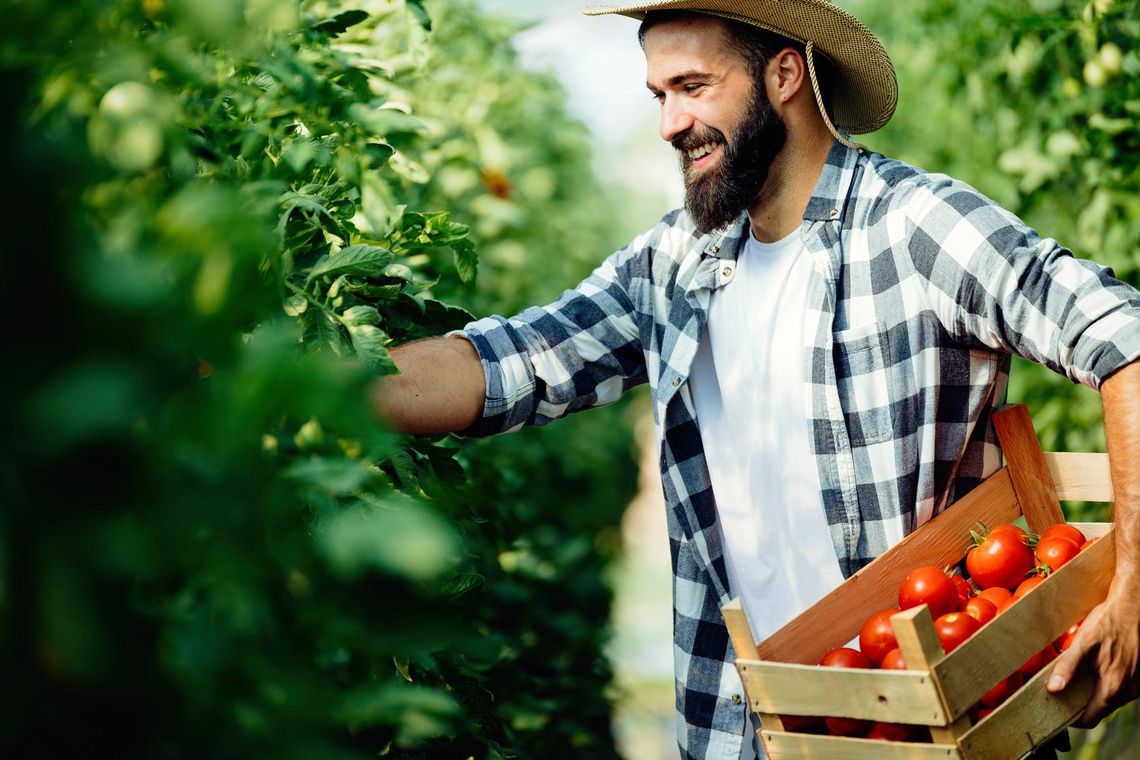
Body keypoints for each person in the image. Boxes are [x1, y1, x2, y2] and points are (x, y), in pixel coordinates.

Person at [371, 1, 1140, 758]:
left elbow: (1126, 339)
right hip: (738, 733)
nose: (670, 123)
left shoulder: (913, 227)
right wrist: (321, 385)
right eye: (659, 95)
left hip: (928, 723)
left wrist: (1136, 590)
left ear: (784, 75)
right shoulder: (675, 264)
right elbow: (508, 363)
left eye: (694, 86)